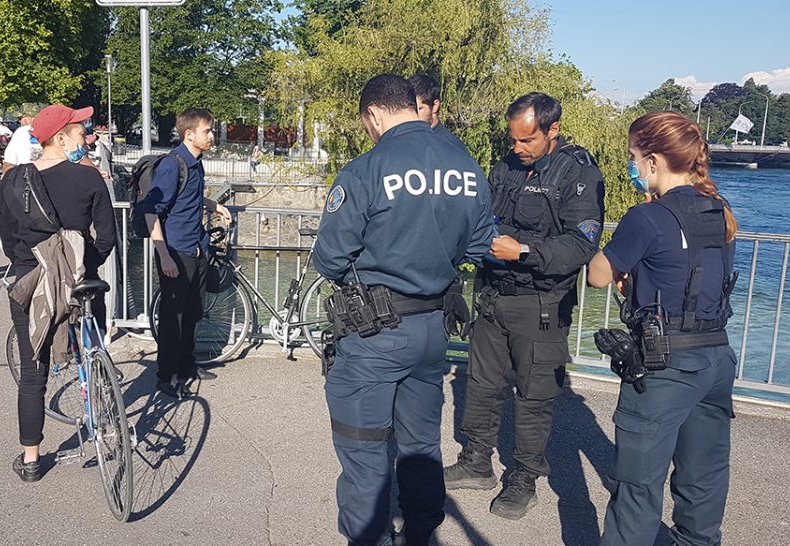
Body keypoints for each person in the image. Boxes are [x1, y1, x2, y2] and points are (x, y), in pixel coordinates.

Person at [314, 74, 493, 546]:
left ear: (373, 114)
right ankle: (420, 533)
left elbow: (330, 258)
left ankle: (369, 538)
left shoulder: (366, 169)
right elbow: (479, 245)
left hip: (374, 333)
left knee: (364, 448)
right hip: (434, 329)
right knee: (421, 445)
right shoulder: (464, 165)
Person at [442, 92, 605, 520]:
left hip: (540, 304)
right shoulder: (506, 166)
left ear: (552, 130)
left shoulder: (579, 174)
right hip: (494, 295)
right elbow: (481, 216)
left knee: (533, 397)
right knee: (480, 385)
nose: (518, 148)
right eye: (514, 140)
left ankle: (524, 477)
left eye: (527, 140)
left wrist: (526, 250)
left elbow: (581, 244)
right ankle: (476, 461)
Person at [587, 111, 739, 546]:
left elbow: (600, 274)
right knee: (703, 475)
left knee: (637, 486)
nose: (634, 168)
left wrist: (618, 264)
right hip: (716, 357)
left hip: (665, 365)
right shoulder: (720, 210)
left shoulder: (646, 218)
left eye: (635, 158)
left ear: (653, 161)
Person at [0, 104, 117, 482]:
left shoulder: (12, 182)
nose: (87, 138)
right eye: (82, 132)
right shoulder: (90, 177)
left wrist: (40, 266)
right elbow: (108, 238)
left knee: (34, 373)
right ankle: (102, 423)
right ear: (61, 138)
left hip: (30, 281)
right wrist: (81, 265)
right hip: (82, 283)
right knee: (92, 351)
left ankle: (31, 460)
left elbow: (8, 239)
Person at [141, 107, 231, 399]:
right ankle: (166, 376)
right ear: (189, 134)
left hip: (197, 247)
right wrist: (163, 254)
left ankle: (188, 365)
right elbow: (152, 211)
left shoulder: (196, 163)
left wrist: (213, 205)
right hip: (176, 251)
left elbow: (189, 196)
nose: (212, 135)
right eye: (207, 130)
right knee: (173, 317)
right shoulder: (173, 165)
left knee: (193, 311)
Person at [408, 73, 467, 151]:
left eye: (418, 109)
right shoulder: (402, 141)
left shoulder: (451, 148)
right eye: (409, 109)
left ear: (435, 106)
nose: (411, 115)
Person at [2, 108, 41, 173]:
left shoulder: (21, 132)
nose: (19, 121)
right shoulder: (50, 130)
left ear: (29, 118)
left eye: (20, 118)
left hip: (26, 176)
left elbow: (9, 162)